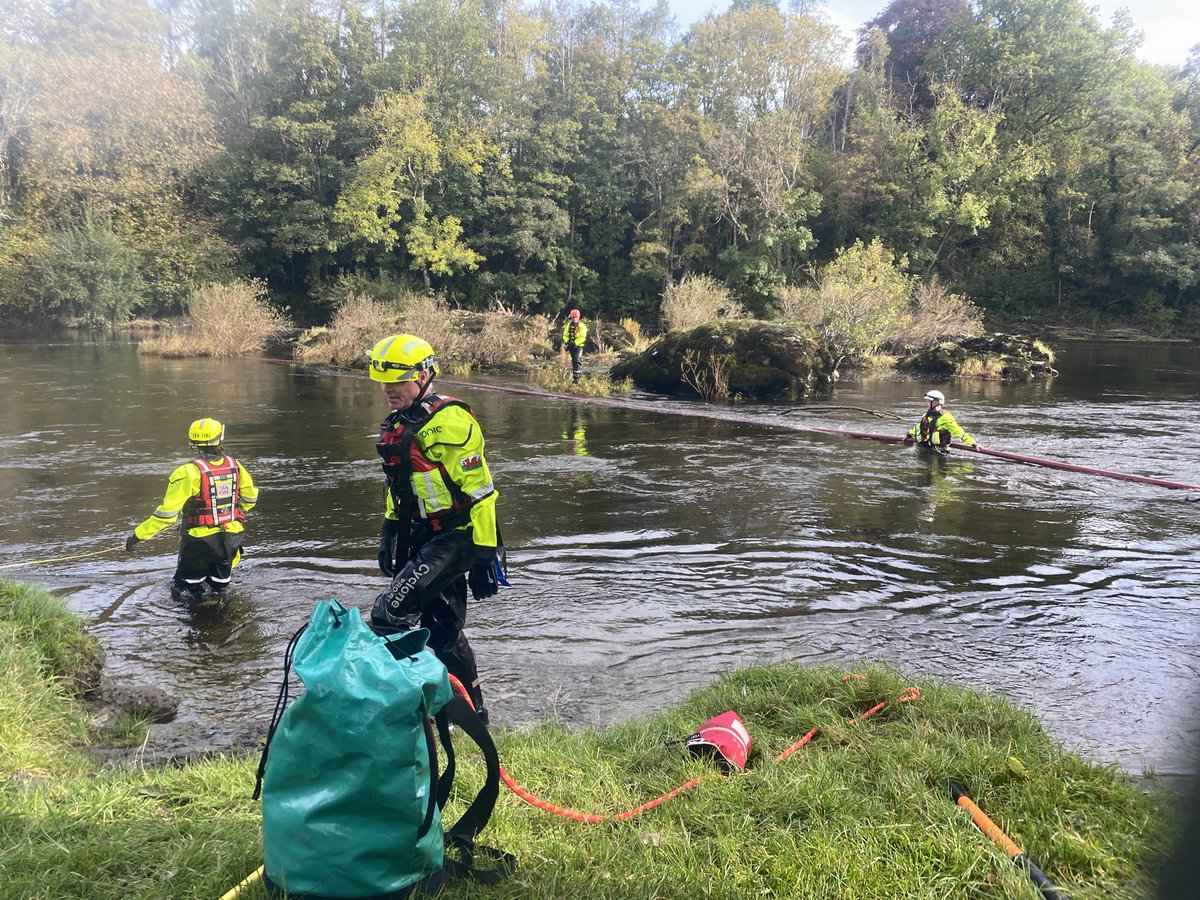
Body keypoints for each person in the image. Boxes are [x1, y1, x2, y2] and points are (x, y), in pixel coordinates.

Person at [368, 334, 504, 723]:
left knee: (388, 615)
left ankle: (405, 709)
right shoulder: (402, 422)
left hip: (458, 535)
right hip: (424, 535)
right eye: (384, 382)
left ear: (425, 374)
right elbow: (401, 485)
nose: (389, 390)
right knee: (442, 630)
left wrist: (483, 552)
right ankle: (471, 712)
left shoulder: (451, 422)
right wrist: (390, 529)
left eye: (398, 381)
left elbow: (481, 494)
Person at [125, 418, 258, 596]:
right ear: (220, 438)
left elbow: (166, 515)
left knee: (185, 590)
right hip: (230, 538)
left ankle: (198, 619)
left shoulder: (187, 472)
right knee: (221, 589)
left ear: (193, 442)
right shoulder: (236, 466)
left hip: (199, 543)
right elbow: (250, 499)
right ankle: (220, 620)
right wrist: (232, 512)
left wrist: (137, 536)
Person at [905, 390, 979, 454]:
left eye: (928, 401)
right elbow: (920, 427)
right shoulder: (927, 416)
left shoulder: (946, 419)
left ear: (936, 402)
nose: (926, 404)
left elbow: (959, 432)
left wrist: (973, 444)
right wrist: (909, 434)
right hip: (924, 449)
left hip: (939, 453)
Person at [561, 309, 588, 383]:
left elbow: (583, 337)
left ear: (578, 317)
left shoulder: (582, 326)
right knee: (573, 361)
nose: (574, 319)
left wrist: (575, 343)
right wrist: (568, 341)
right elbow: (564, 335)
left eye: (576, 317)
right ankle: (572, 377)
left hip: (579, 346)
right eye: (573, 317)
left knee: (577, 360)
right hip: (570, 345)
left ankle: (577, 379)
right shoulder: (568, 325)